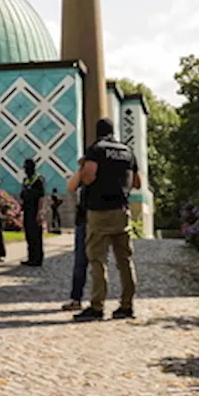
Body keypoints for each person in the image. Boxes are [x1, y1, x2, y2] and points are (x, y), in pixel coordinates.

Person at [73, 118, 141, 321]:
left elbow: (89, 176)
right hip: (122, 210)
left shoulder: (96, 150)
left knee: (97, 259)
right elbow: (137, 182)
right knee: (125, 260)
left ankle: (97, 306)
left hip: (100, 211)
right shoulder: (127, 151)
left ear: (97, 132)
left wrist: (83, 168)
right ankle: (127, 305)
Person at [62, 157, 89, 311]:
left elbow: (71, 186)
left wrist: (81, 169)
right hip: (97, 217)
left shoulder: (85, 173)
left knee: (81, 261)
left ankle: (77, 299)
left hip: (86, 219)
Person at [20, 158, 46, 267]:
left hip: (35, 210)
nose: (26, 170)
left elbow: (41, 197)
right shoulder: (26, 180)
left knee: (36, 235)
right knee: (29, 235)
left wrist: (40, 212)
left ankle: (37, 258)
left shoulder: (38, 180)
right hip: (27, 210)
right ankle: (30, 257)